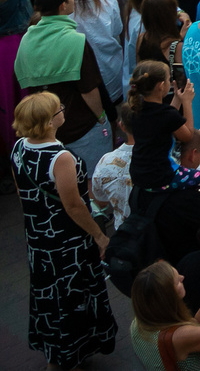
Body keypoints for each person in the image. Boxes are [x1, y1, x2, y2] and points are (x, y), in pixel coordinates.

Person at [14, 90, 119, 371]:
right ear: (49, 122)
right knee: (72, 297)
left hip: (38, 238)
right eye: (58, 108)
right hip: (66, 242)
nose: (63, 109)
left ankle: (56, 351)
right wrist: (99, 235)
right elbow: (73, 206)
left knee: (48, 295)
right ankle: (70, 355)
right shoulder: (60, 158)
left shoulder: (19, 147)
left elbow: (23, 193)